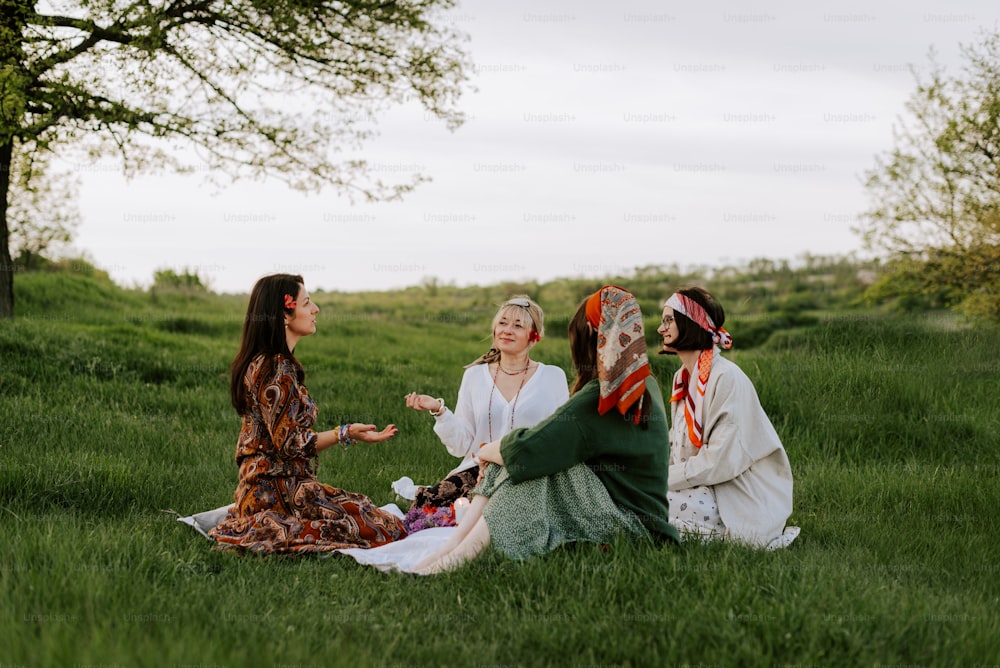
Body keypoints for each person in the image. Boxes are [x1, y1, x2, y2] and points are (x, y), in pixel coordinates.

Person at [412, 285, 680, 574]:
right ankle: (452, 549)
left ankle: (454, 558)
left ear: (592, 333)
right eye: (502, 323)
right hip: (627, 511)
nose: (507, 330)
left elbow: (535, 448)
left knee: (524, 465)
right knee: (520, 461)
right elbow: (540, 443)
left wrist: (490, 450)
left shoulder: (601, 396)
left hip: (631, 524)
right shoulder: (642, 382)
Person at [209, 273, 407, 553]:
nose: (316, 310)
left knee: (365, 511)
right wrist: (345, 433)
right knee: (377, 526)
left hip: (266, 488)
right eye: (307, 303)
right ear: (284, 315)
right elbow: (290, 444)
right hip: (275, 492)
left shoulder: (266, 362)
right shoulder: (276, 369)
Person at [402, 296, 569, 530]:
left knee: (500, 520)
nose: (507, 330)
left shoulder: (553, 376)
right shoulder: (475, 376)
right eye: (502, 323)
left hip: (529, 474)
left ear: (535, 336)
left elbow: (562, 439)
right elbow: (461, 445)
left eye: (518, 325)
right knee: (432, 512)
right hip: (477, 474)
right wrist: (438, 410)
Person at [657, 286, 796, 548]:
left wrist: (660, 478)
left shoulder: (726, 378)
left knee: (646, 501)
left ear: (690, 324)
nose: (660, 329)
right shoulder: (682, 378)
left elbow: (719, 461)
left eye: (668, 320)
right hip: (701, 486)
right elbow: (676, 445)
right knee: (639, 495)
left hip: (736, 494)